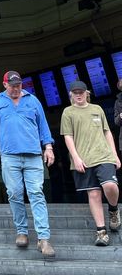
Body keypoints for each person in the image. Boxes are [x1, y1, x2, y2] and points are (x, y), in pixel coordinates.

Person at [0, 70, 56, 259]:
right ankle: (22, 231)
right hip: (9, 156)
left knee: (36, 193)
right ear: (4, 84)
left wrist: (48, 147)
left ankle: (44, 238)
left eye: (19, 85)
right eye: (12, 85)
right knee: (14, 193)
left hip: (33, 155)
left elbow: (43, 126)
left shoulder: (33, 100)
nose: (16, 89)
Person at [61, 79, 121, 246]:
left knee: (110, 185)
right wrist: (76, 157)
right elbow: (68, 136)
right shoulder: (68, 112)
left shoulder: (97, 109)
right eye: (75, 92)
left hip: (104, 155)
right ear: (71, 95)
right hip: (83, 160)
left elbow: (107, 132)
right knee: (94, 194)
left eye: (81, 92)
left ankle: (114, 210)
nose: (79, 95)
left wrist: (115, 155)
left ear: (87, 93)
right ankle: (101, 232)